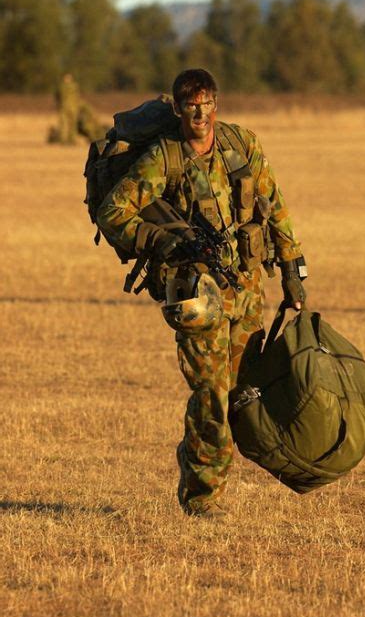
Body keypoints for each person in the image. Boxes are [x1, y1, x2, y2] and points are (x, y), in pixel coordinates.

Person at [97, 69, 306, 518]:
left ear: (217, 103)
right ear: (177, 108)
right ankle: (203, 497)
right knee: (210, 393)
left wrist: (292, 271)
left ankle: (201, 464)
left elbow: (276, 206)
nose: (200, 113)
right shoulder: (164, 158)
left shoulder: (241, 145)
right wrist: (159, 240)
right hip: (197, 293)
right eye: (191, 104)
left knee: (240, 393)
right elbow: (113, 211)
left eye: (207, 103)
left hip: (247, 288)